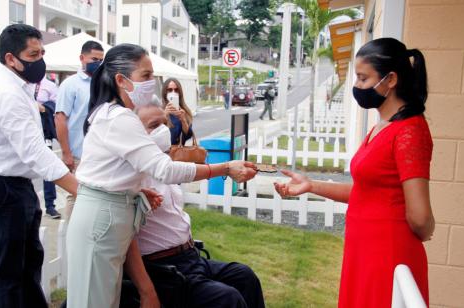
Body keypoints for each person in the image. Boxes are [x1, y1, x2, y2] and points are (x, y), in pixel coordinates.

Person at [65, 43, 258, 308]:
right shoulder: (118, 117)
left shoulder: (110, 114)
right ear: (121, 80)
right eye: (145, 76)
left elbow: (107, 174)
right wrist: (223, 168)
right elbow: (165, 170)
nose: (152, 82)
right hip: (104, 218)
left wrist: (134, 192)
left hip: (109, 213)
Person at [274, 38, 434, 307]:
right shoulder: (382, 126)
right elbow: (366, 192)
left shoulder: (410, 131)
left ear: (391, 79)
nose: (357, 87)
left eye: (363, 78)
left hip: (387, 253)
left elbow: (420, 217)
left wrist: (425, 229)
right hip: (364, 249)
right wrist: (311, 185)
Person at [0, 24, 78, 308]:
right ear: (10, 59)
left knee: (29, 263)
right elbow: (34, 152)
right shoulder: (6, 91)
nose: (39, 59)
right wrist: (80, 189)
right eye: (33, 54)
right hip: (0, 185)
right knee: (10, 272)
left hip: (15, 184)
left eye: (42, 52)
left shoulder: (17, 86)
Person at [125, 103, 265, 308]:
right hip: (162, 267)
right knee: (228, 299)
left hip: (190, 256)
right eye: (154, 125)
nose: (163, 130)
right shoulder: (132, 175)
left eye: (165, 123)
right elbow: (126, 239)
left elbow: (186, 168)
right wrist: (226, 168)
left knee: (245, 276)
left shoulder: (166, 163)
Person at [55, 40, 104, 219]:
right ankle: (69, 239)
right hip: (78, 154)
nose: (98, 63)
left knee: (97, 197)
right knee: (76, 196)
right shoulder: (71, 85)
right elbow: (60, 119)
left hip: (99, 154)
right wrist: (66, 153)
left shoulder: (104, 83)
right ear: (82, 58)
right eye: (94, 59)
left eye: (101, 59)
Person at [36, 75, 61, 219]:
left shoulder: (49, 86)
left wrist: (44, 107)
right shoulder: (23, 85)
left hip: (44, 133)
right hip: (26, 131)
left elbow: (55, 105)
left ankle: (50, 205)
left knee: (47, 169)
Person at [161, 78, 194, 145]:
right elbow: (155, 136)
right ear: (165, 92)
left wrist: (183, 121)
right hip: (162, 153)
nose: (173, 93)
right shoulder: (159, 111)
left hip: (179, 153)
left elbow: (188, 136)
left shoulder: (184, 111)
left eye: (176, 90)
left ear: (180, 93)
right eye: (170, 90)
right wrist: (164, 117)